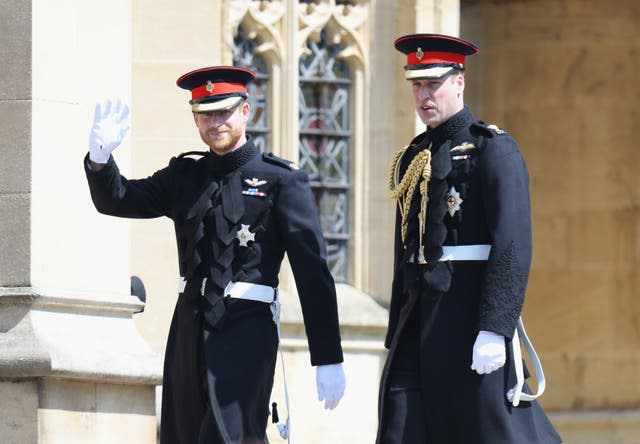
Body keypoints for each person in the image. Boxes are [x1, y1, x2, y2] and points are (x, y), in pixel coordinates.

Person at [84, 66, 346, 444]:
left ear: (245, 112)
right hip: (188, 328)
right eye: (205, 114)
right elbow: (118, 199)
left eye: (224, 111)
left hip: (247, 330)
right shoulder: (185, 177)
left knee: (232, 436)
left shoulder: (282, 180)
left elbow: (313, 272)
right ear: (195, 119)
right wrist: (99, 158)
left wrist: (327, 354)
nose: (216, 122)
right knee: (183, 435)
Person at [376, 34, 562, 443]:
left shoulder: (492, 148)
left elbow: (512, 244)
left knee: (487, 433)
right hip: (418, 321)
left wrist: (496, 326)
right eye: (416, 85)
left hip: (470, 318)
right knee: (401, 429)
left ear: (459, 81)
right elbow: (404, 249)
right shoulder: (412, 156)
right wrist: (396, 331)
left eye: (433, 83)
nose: (423, 95)